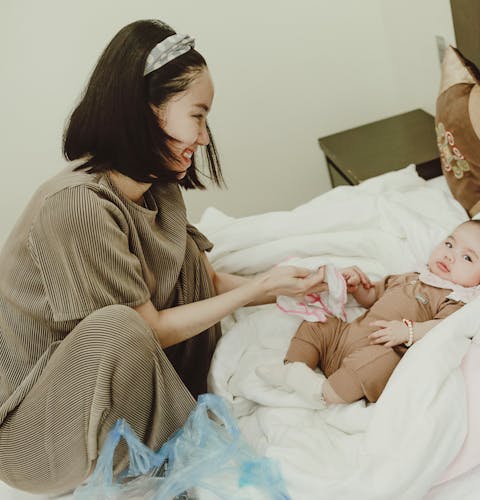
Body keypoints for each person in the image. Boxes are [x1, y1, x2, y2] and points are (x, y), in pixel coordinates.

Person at [0, 20, 325, 495]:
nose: (205, 137)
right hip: (36, 433)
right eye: (197, 116)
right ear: (145, 111)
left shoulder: (159, 188)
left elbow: (206, 282)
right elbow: (141, 330)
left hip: (110, 391)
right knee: (121, 325)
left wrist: (282, 287)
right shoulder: (75, 204)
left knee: (190, 256)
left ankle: (182, 417)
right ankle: (161, 463)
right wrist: (255, 291)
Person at [258, 219, 480, 407]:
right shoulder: (412, 276)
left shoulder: (454, 299)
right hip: (345, 337)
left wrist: (409, 331)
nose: (450, 255)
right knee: (319, 321)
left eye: (467, 258)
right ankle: (293, 368)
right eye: (449, 243)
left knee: (380, 363)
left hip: (376, 353)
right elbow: (375, 296)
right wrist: (359, 288)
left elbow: (446, 329)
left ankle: (323, 393)